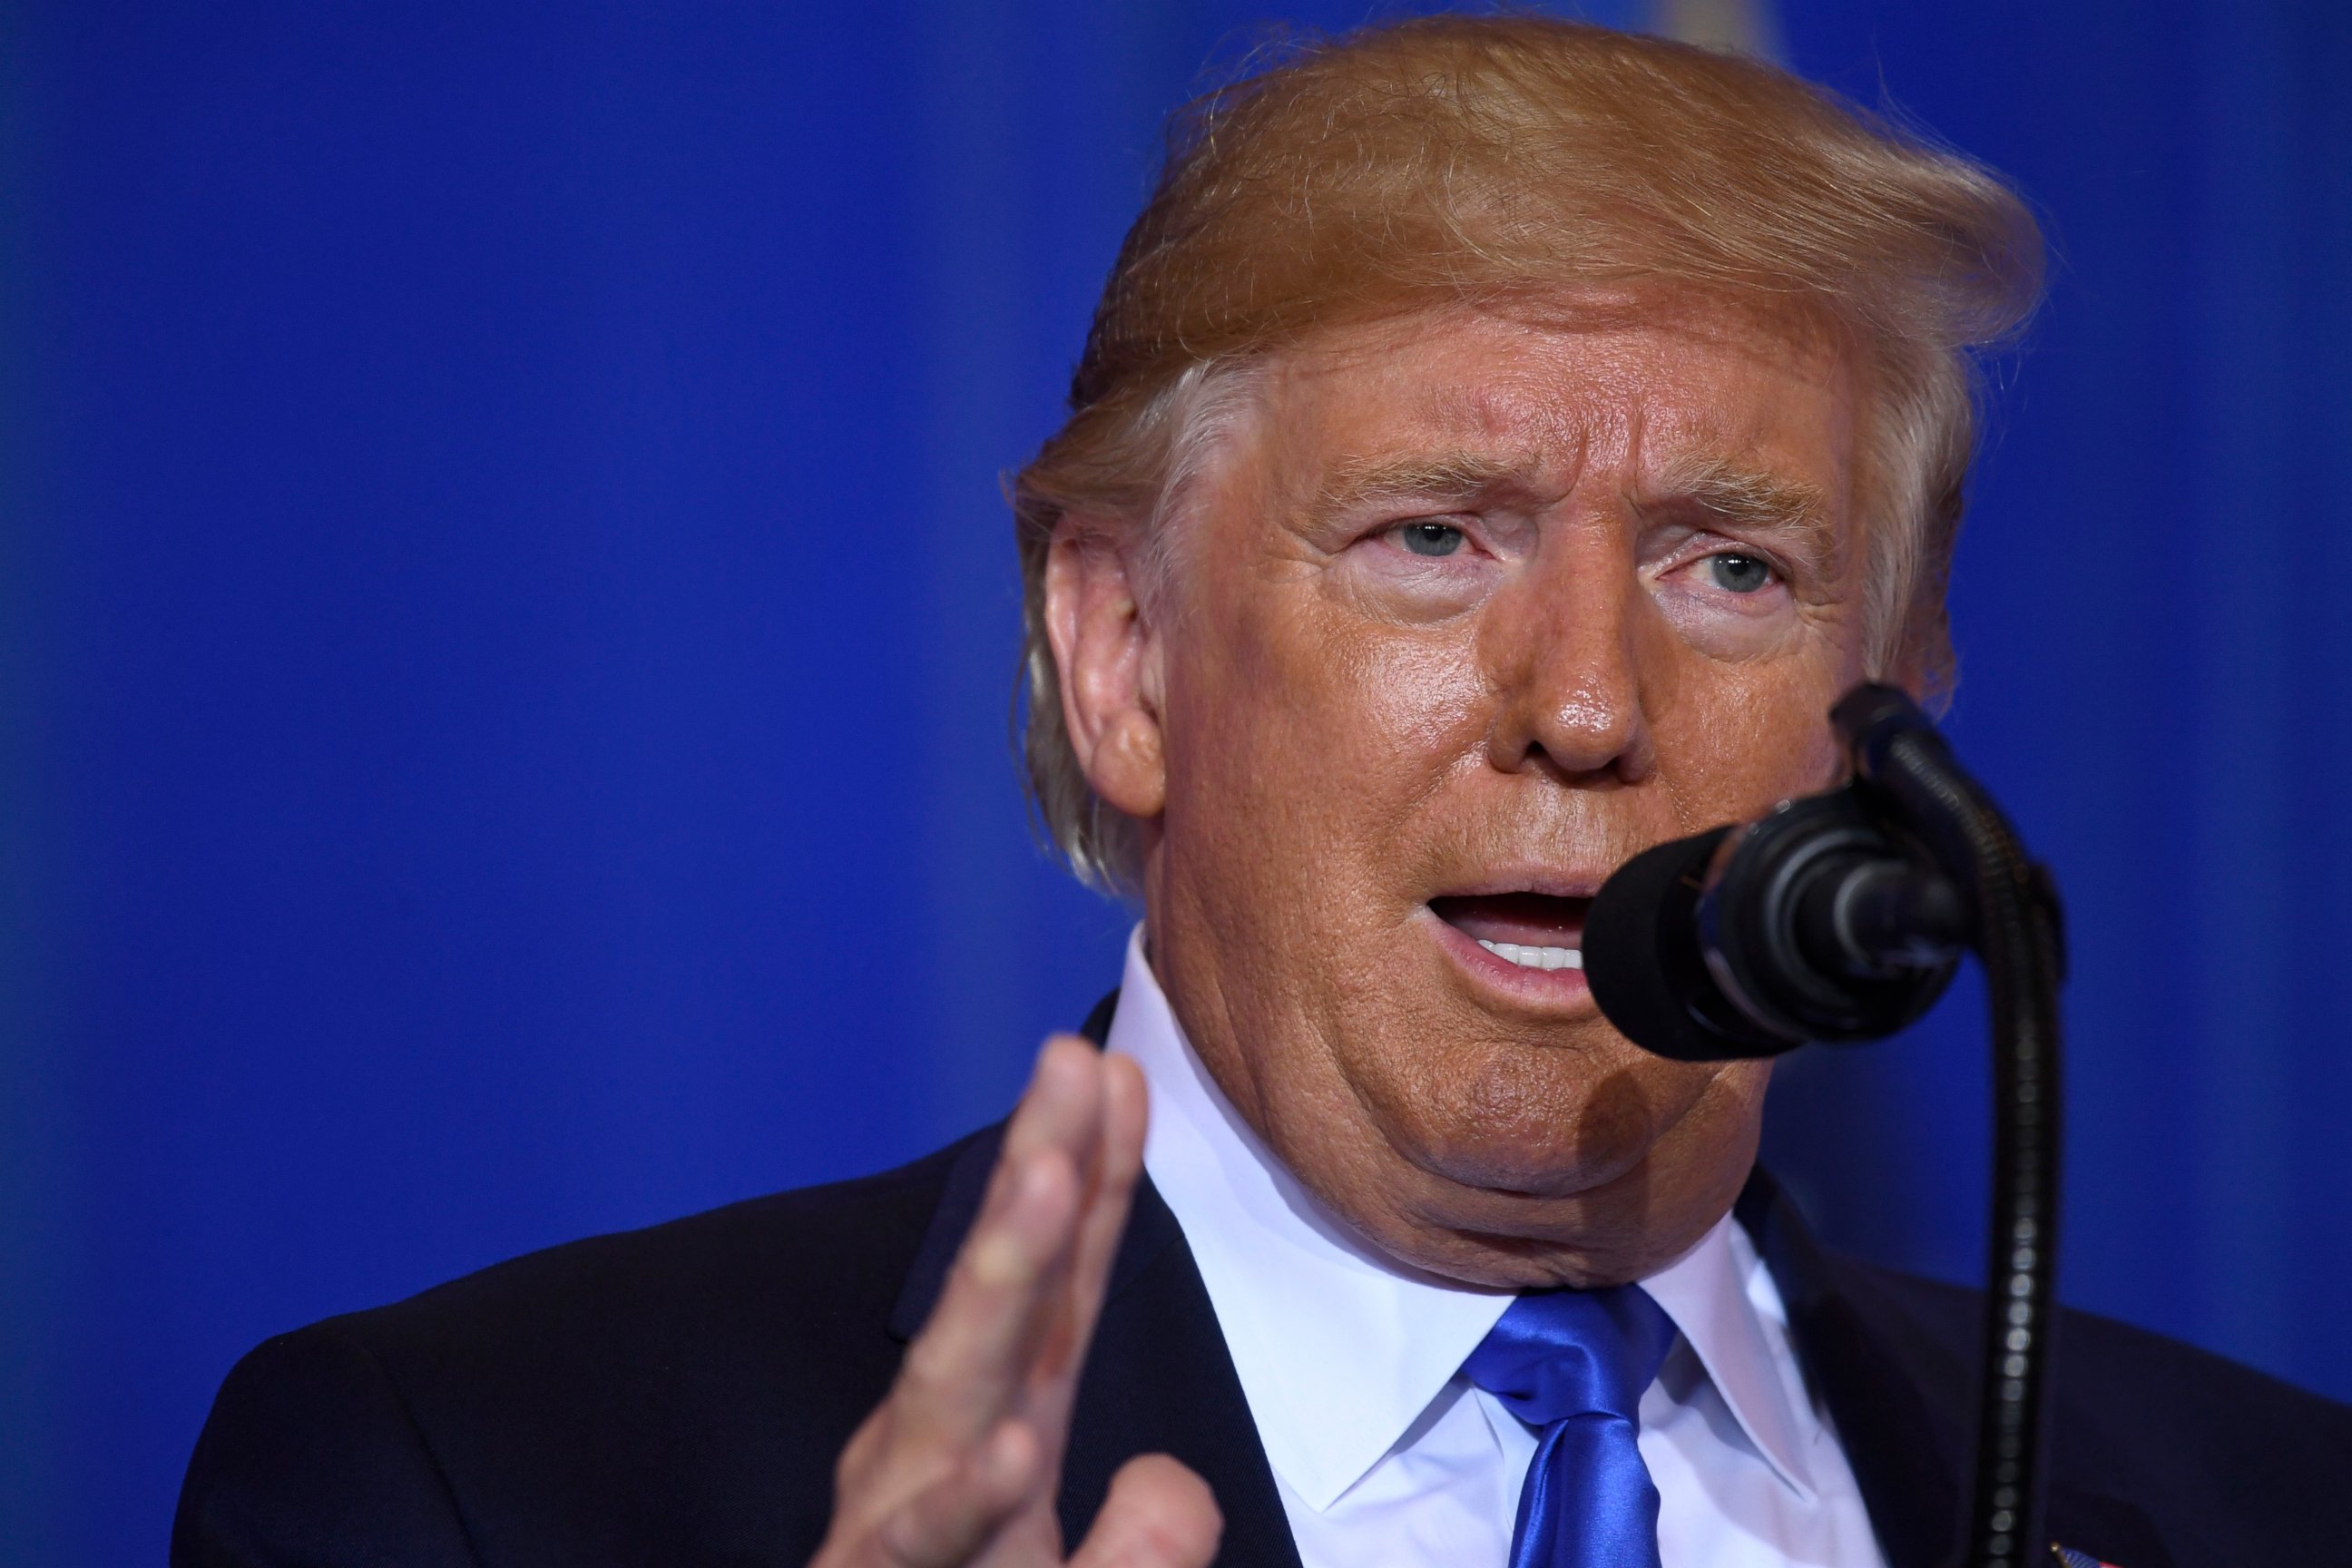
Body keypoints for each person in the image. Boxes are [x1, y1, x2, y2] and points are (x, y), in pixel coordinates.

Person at [173, 15, 2352, 1568]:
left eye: (1734, 565)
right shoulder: (478, 1486)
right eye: (1434, 535)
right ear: (1122, 658)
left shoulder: (2264, 1509)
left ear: (1883, 715)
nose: (1587, 702)